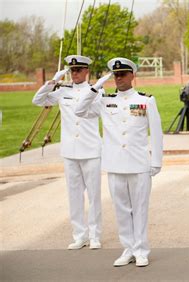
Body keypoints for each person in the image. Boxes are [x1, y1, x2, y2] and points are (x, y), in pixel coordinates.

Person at [75, 57, 163, 267]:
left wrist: (156, 161)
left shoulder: (146, 100)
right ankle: (128, 248)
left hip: (139, 164)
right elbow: (79, 110)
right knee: (121, 210)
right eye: (115, 75)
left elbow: (156, 132)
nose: (119, 78)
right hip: (115, 164)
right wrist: (95, 87)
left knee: (140, 208)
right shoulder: (105, 100)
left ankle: (141, 250)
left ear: (133, 75)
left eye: (123, 74)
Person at [32, 55, 102, 250]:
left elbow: (95, 111)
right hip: (70, 150)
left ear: (86, 71)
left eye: (78, 70)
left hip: (90, 149)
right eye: (72, 70)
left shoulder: (97, 91)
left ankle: (95, 235)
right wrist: (53, 82)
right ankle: (80, 235)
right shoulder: (63, 90)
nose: (75, 74)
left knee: (94, 196)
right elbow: (38, 100)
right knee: (74, 195)